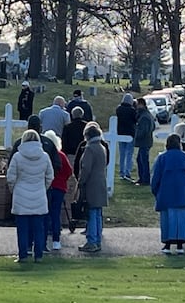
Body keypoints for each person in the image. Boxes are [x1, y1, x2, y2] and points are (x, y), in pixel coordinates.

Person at [7, 128, 54, 262]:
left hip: (21, 195)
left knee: (22, 229)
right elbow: (50, 176)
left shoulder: (17, 156)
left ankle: (23, 255)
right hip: (39, 194)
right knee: (39, 228)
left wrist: (14, 190)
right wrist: (42, 188)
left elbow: (11, 178)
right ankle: (38, 255)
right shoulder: (45, 156)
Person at [151, 132, 185, 254]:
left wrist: (155, 191)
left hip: (166, 193)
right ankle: (180, 245)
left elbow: (156, 177)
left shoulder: (162, 158)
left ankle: (167, 245)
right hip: (182, 194)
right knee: (181, 219)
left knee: (167, 220)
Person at [76, 122, 108, 252]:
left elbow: (86, 168)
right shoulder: (102, 147)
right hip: (100, 182)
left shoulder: (90, 149)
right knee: (98, 213)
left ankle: (92, 241)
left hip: (91, 184)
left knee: (91, 213)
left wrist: (80, 181)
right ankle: (97, 240)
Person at [44, 130, 72, 252]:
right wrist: (62, 180)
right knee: (56, 213)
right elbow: (69, 171)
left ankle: (43, 239)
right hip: (59, 188)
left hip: (47, 187)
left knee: (45, 213)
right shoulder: (61, 156)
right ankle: (56, 240)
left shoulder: (45, 155)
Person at [133, 96, 156, 184]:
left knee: (143, 161)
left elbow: (143, 130)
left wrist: (136, 135)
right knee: (140, 159)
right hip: (146, 141)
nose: (136, 106)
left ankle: (145, 179)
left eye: (137, 104)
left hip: (145, 142)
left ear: (141, 104)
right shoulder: (146, 114)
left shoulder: (144, 117)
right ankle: (142, 178)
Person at [115, 92, 138, 181]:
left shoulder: (119, 109)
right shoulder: (132, 110)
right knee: (129, 154)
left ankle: (121, 172)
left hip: (120, 133)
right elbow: (135, 120)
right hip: (130, 134)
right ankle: (127, 172)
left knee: (122, 154)